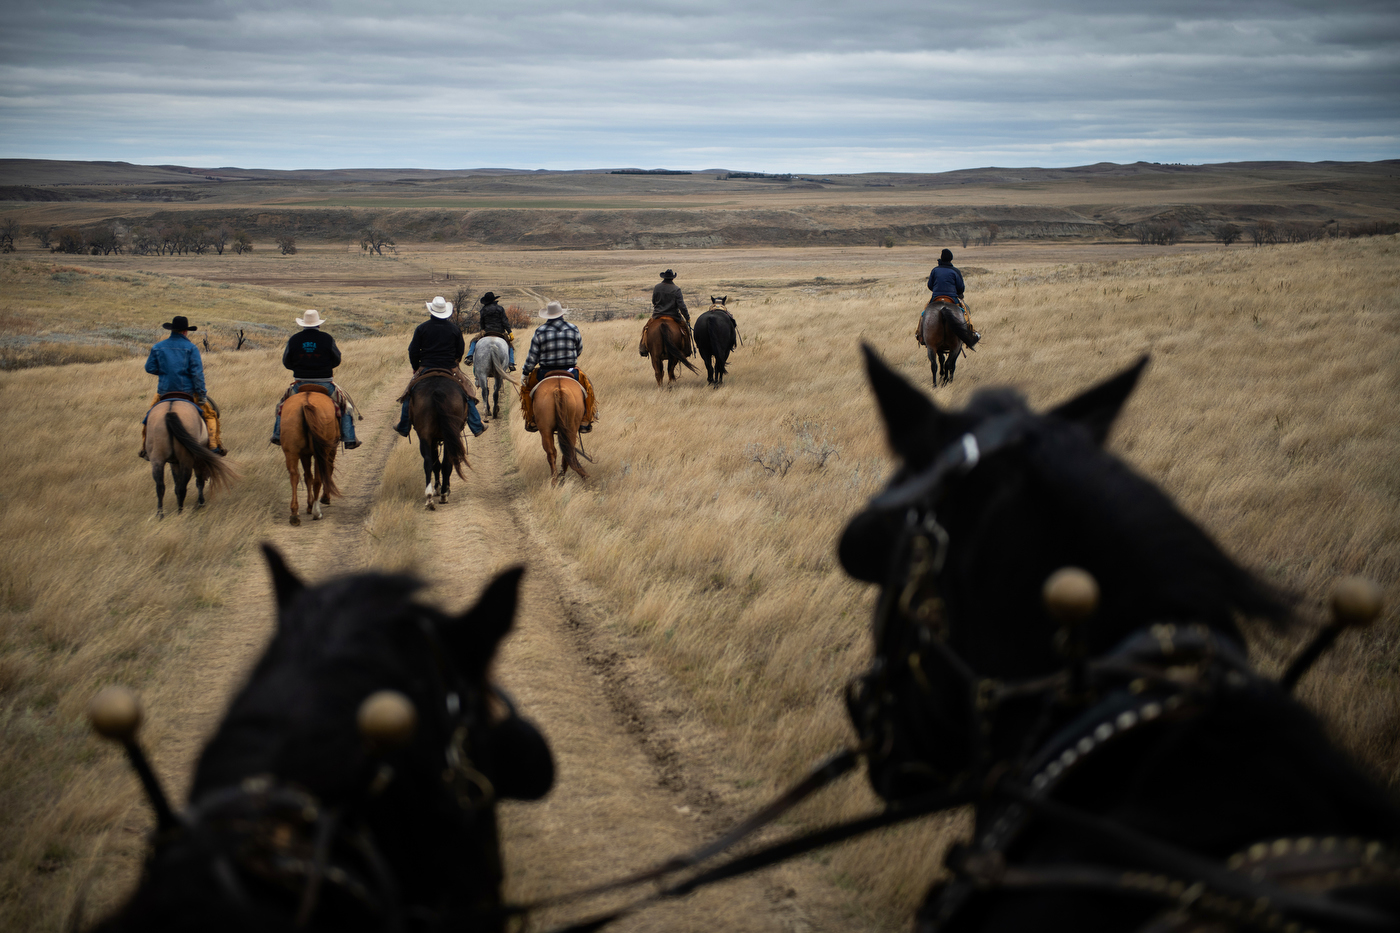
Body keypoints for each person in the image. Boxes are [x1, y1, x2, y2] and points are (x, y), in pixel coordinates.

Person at [393, 296, 486, 438]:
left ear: (431, 311)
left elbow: (413, 350)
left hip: (426, 366)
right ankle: (476, 425)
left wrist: (415, 366)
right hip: (449, 367)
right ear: (446, 312)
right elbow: (460, 350)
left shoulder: (421, 328)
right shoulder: (454, 329)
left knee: (409, 393)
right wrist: (455, 362)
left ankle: (403, 426)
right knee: (467, 393)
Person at [269, 310, 360, 449]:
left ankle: (277, 435)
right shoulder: (327, 338)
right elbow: (337, 359)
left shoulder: (294, 339)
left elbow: (286, 361)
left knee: (282, 406)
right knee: (345, 407)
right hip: (325, 383)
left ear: (303, 324)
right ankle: (349, 438)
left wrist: (298, 367)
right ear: (318, 324)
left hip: (300, 383)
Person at [140, 315, 224, 458]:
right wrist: (202, 394)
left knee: (149, 417)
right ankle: (213, 446)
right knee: (210, 415)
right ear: (185, 331)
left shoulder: (158, 347)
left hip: (164, 393)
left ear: (172, 330)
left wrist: (166, 371)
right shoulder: (191, 348)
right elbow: (197, 374)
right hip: (188, 393)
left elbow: (149, 368)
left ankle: (145, 448)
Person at [520, 301, 597, 434]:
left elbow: (533, 357)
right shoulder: (573, 328)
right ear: (562, 314)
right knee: (588, 387)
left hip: (544, 372)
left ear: (548, 316)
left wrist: (525, 372)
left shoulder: (540, 331)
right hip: (570, 371)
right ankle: (585, 418)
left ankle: (531, 419)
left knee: (526, 389)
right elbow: (579, 349)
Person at [920, 249, 979, 347]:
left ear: (941, 258)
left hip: (936, 297)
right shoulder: (955, 271)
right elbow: (961, 288)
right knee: (965, 311)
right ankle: (971, 334)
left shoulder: (935, 270)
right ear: (951, 259)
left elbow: (930, 285)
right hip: (952, 297)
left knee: (924, 312)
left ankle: (920, 334)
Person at [644, 268, 693, 356]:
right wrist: (687, 318)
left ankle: (643, 348)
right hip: (673, 316)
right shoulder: (676, 289)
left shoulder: (657, 287)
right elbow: (681, 306)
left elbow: (654, 301)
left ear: (663, 277)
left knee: (646, 329)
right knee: (685, 330)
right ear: (672, 278)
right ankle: (687, 350)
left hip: (657, 315)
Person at [465, 291, 516, 370]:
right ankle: (511, 363)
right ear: (493, 300)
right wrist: (510, 332)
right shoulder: (500, 309)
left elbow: (482, 323)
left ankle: (470, 357)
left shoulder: (483, 310)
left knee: (474, 341)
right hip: (500, 332)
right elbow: (505, 321)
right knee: (510, 346)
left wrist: (483, 330)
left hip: (487, 332)